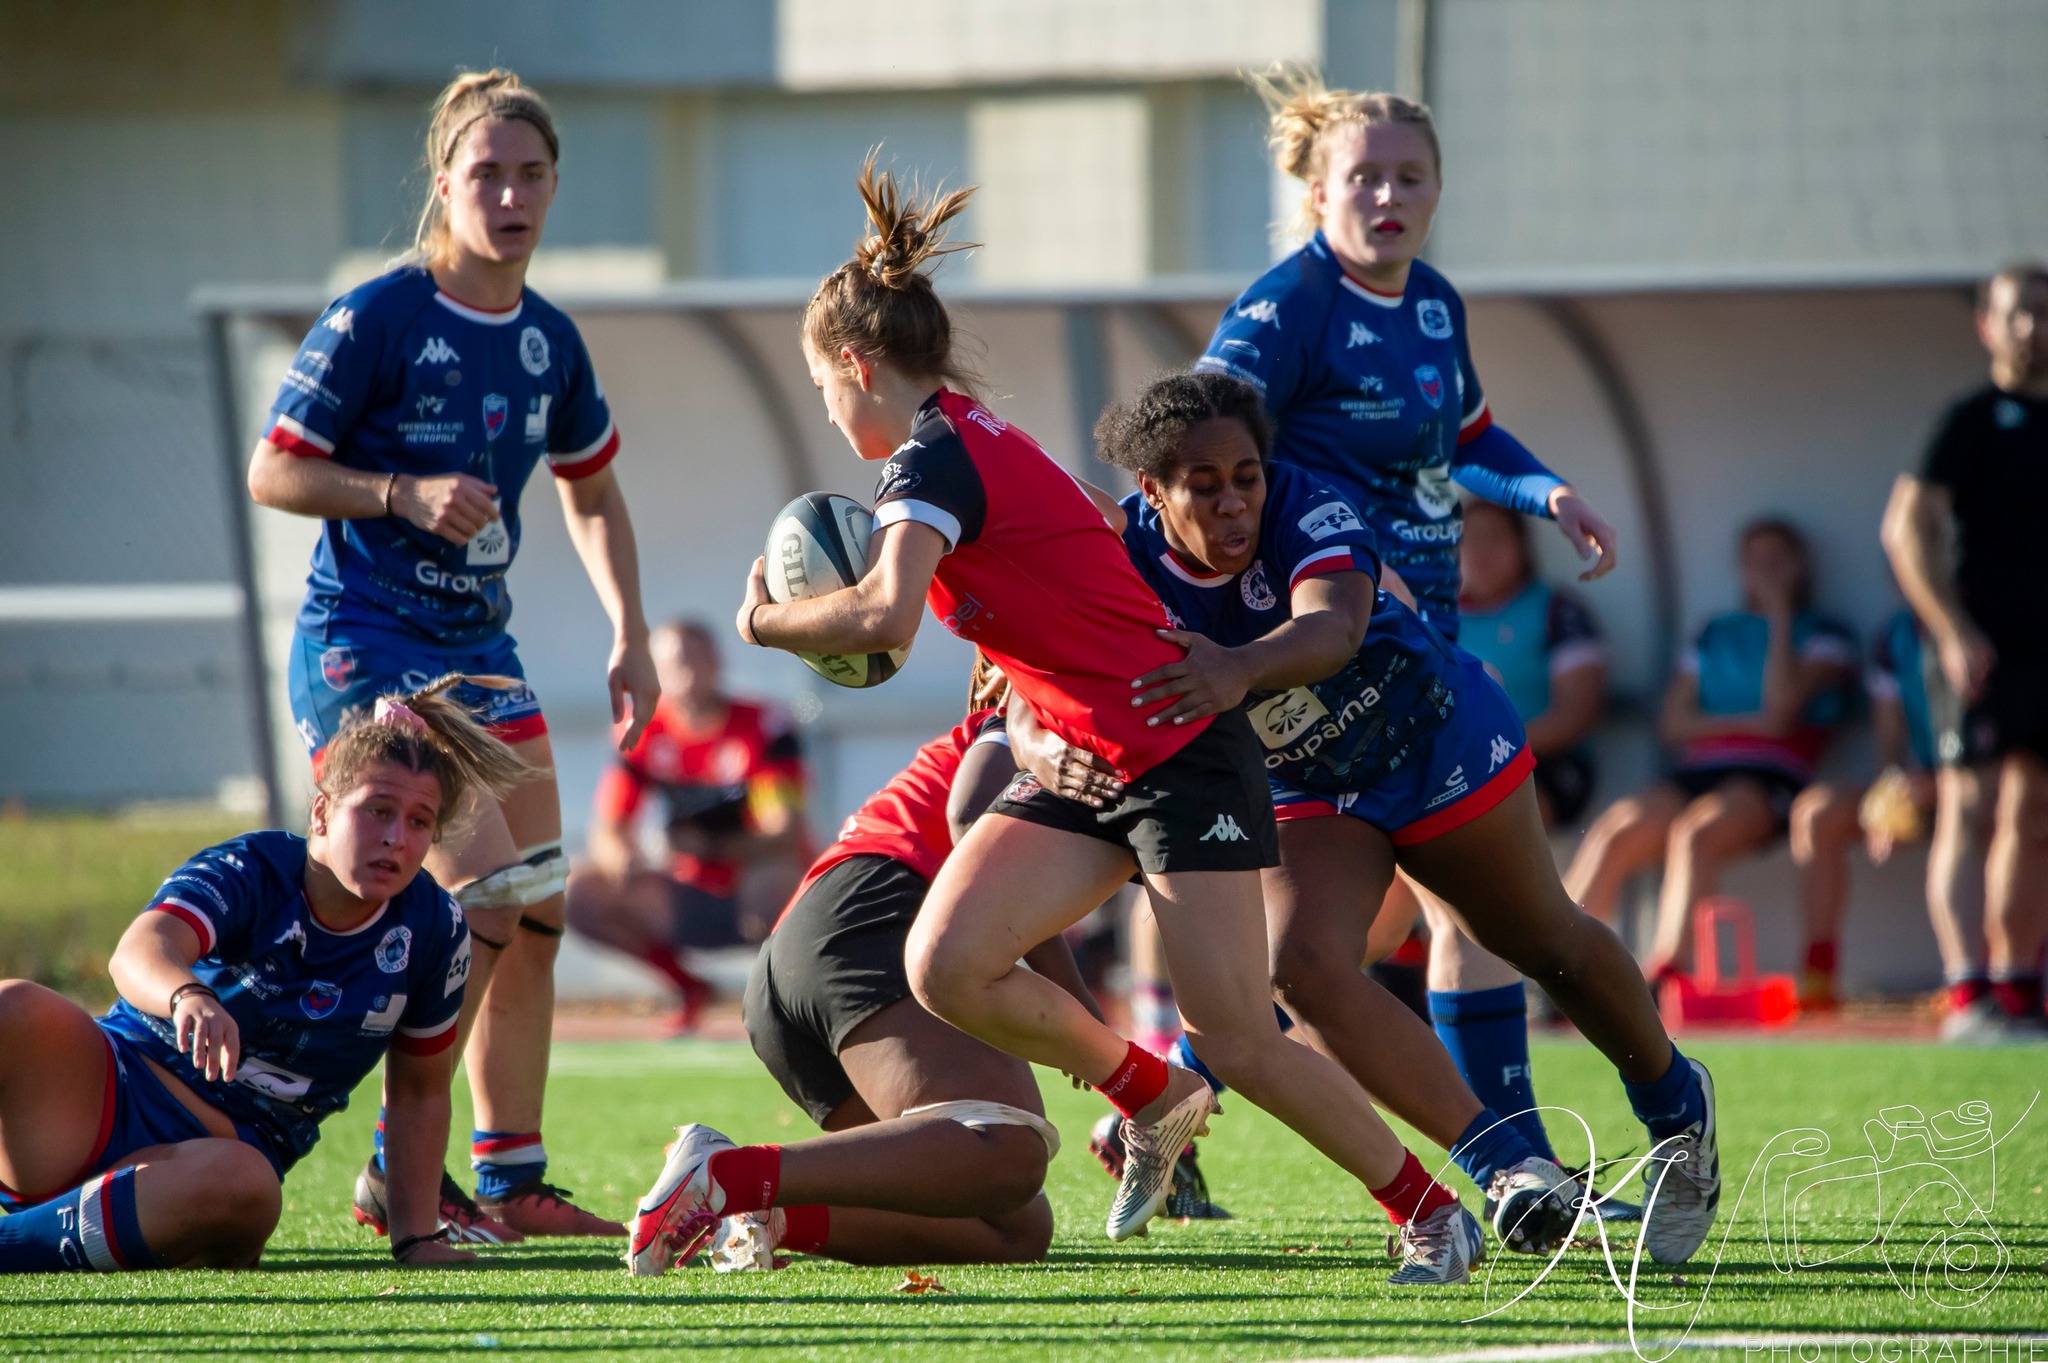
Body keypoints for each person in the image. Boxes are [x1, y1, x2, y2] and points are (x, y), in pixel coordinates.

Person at [635, 158, 1489, 1287]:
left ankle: (1431, 1212)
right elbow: (1056, 558)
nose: (829, 412)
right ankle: (1154, 1092)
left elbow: (883, 623)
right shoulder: (970, 436)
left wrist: (763, 619)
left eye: (823, 388)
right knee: (947, 962)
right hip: (1087, 758)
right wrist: (1009, 654)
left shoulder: (930, 454)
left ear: (853, 366)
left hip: (1180, 750)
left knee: (1239, 1031)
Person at [1028, 370, 1713, 1263]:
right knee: (1302, 967)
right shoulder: (1116, 557)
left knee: (1545, 940)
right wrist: (1043, 749)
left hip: (1432, 737)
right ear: (1152, 492)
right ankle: (1506, 1167)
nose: (1236, 502)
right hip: (1311, 784)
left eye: (1247, 475)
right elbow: (1020, 669)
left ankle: (1676, 1108)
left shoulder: (1307, 505)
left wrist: (1233, 667)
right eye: (1205, 486)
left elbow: (1335, 629)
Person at [245, 70, 659, 1238]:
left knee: (538, 908)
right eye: (487, 173)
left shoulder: (547, 339)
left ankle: (514, 1178)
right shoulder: (379, 314)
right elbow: (274, 467)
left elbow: (591, 491)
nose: (511, 194)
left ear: (554, 187)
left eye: (530, 174)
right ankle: (395, 1172)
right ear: (444, 185)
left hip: (480, 650)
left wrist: (630, 631)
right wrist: (397, 491)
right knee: (478, 895)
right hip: (366, 645)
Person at [1197, 71, 1624, 1177]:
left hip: (1415, 650)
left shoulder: (1432, 300)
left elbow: (1465, 434)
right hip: (1324, 658)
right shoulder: (1287, 305)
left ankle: (1178, 1088)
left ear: (1436, 189)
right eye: (1362, 175)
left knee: (1413, 922)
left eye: (1408, 175)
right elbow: (1194, 439)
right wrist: (1322, 564)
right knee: (1415, 923)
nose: (1386, 193)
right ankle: (1523, 1164)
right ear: (1313, 188)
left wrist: (1548, 495)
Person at [0, 680, 528, 1273]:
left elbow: (418, 1093)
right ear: (323, 811)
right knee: (12, 1007)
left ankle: (16, 1244)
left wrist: (413, 1238)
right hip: (105, 1094)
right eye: (378, 811)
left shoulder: (435, 928)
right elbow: (138, 950)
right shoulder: (256, 867)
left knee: (248, 1187)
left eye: (418, 822)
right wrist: (186, 995)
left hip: (214, 1160)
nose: (395, 839)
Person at [629, 681, 1105, 1275]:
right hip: (873, 918)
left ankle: (767, 1214)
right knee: (1004, 1149)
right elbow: (982, 854)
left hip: (799, 959)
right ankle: (727, 1175)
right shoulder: (1046, 725)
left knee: (1009, 1227)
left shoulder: (1018, 728)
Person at [1564, 520, 1857, 984]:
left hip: (1770, 775)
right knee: (1616, 831)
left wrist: (1780, 616)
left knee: (1697, 834)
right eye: (1753, 561)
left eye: (1776, 561)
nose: (1764, 571)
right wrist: (1748, 721)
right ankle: (1558, 969)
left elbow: (1782, 710)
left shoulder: (1824, 632)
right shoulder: (1715, 633)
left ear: (1800, 568)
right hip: (1702, 768)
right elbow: (1672, 724)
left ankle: (1665, 976)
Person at [1882, 262, 2048, 1038]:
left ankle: (2017, 985)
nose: (2032, 327)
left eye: (2044, 313)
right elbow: (1905, 526)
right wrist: (1952, 630)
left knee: (2034, 811)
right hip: (1980, 643)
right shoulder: (1972, 420)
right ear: (1988, 325)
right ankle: (1965, 992)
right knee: (1970, 806)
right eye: (2018, 314)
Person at [566, 621, 809, 1032]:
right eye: (677, 663)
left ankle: (790, 1006)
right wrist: (623, 858)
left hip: (751, 889)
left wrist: (710, 845)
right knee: (581, 891)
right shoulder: (642, 731)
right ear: (656, 672)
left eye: (699, 659)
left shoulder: (762, 727)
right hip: (683, 891)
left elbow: (783, 829)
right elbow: (609, 827)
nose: (690, 673)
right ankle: (688, 988)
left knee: (777, 884)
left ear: (719, 663)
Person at [1459, 500, 1609, 830]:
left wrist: (1487, 752)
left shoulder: (1558, 609)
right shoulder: (1439, 619)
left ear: (1522, 545)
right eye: (1470, 539)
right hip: (1457, 769)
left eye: (1494, 538)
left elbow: (1575, 716)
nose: (1481, 550)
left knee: (1490, 828)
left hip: (1545, 765)